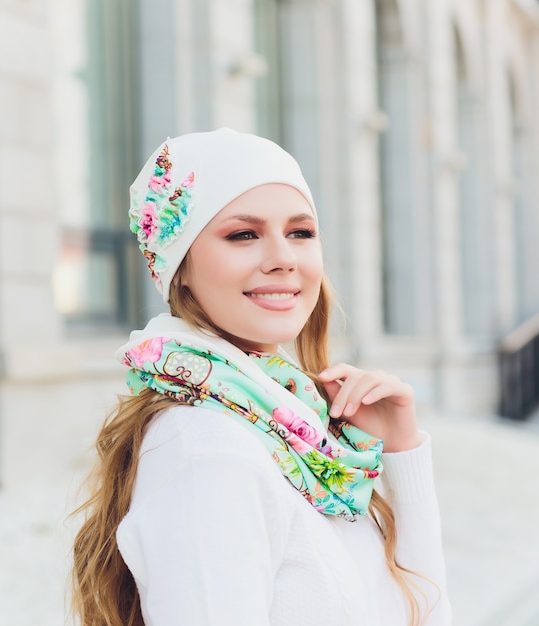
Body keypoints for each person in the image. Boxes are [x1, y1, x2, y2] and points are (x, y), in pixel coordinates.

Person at [72, 128, 452, 626]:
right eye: (243, 234)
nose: (283, 258)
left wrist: (402, 453)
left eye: (300, 232)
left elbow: (425, 613)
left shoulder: (297, 425)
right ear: (178, 266)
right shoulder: (209, 448)